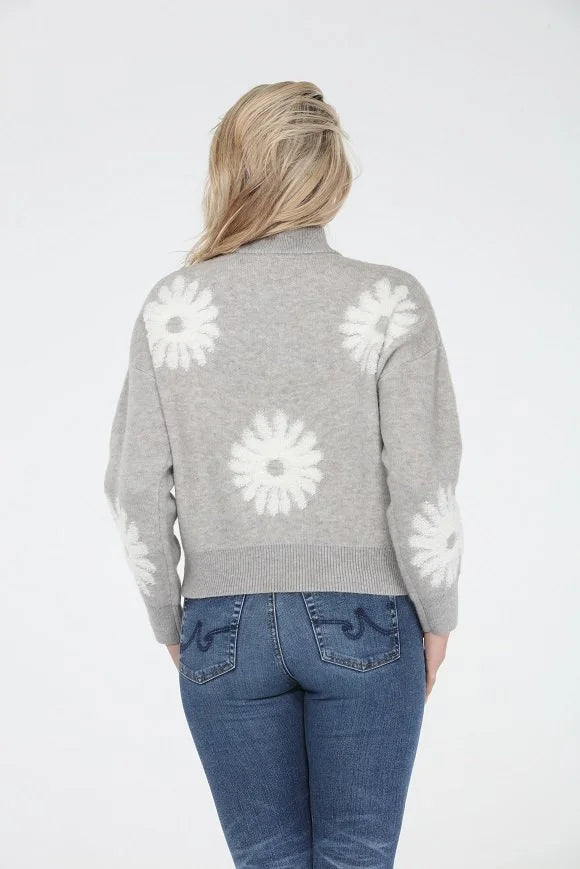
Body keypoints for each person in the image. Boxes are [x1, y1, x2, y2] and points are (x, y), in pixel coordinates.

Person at [104, 80, 463, 868]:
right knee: (357, 857)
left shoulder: (172, 305)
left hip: (220, 625)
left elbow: (132, 488)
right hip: (369, 616)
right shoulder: (390, 300)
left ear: (229, 171)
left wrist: (172, 621)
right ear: (332, 174)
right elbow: (423, 477)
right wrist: (438, 613)